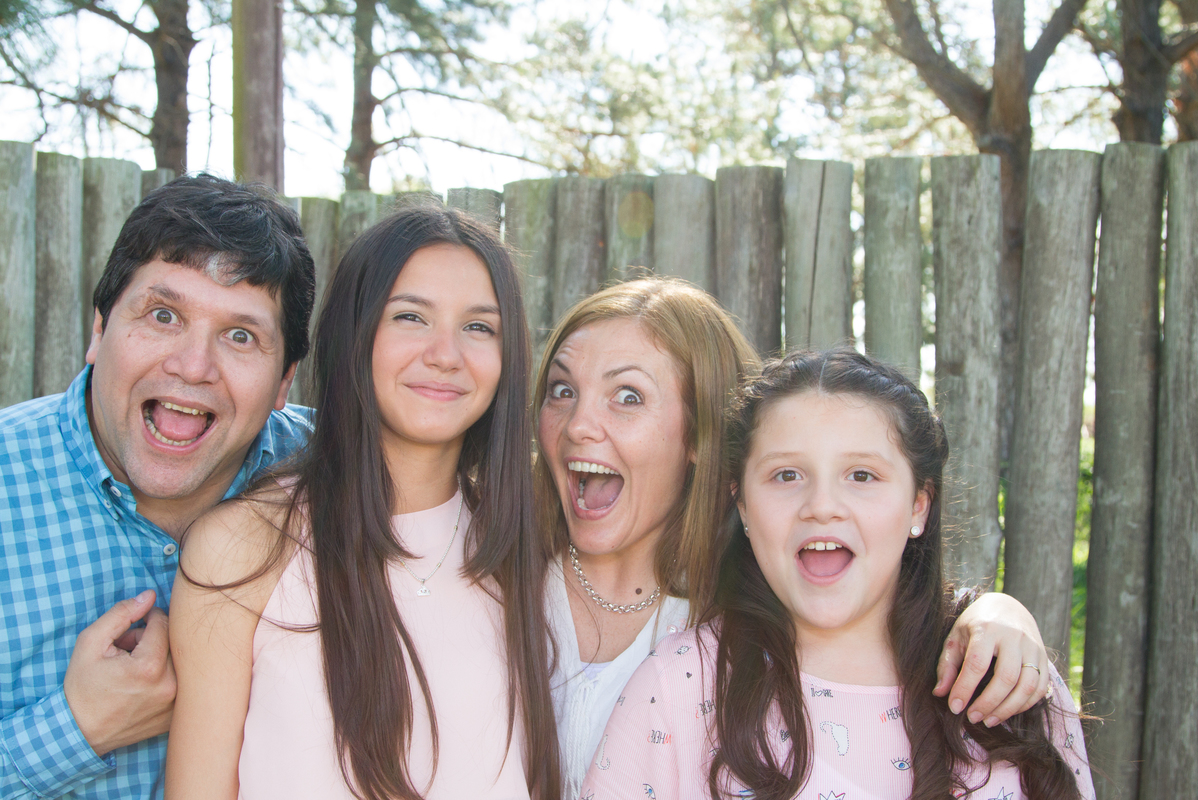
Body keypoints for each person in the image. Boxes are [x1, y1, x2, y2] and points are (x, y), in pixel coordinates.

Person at [533, 280, 1053, 799]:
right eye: (561, 390)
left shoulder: (733, 601)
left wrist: (996, 614)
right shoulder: (509, 594)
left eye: (628, 396)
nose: (579, 425)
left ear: (701, 436)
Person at [166, 207, 559, 800]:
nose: (446, 354)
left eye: (479, 327)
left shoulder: (526, 547)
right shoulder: (242, 546)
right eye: (410, 317)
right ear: (355, 333)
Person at [0, 175, 316, 800]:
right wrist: (73, 730)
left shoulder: (342, 478)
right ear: (99, 330)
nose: (193, 366)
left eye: (240, 335)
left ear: (285, 381)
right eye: (163, 315)